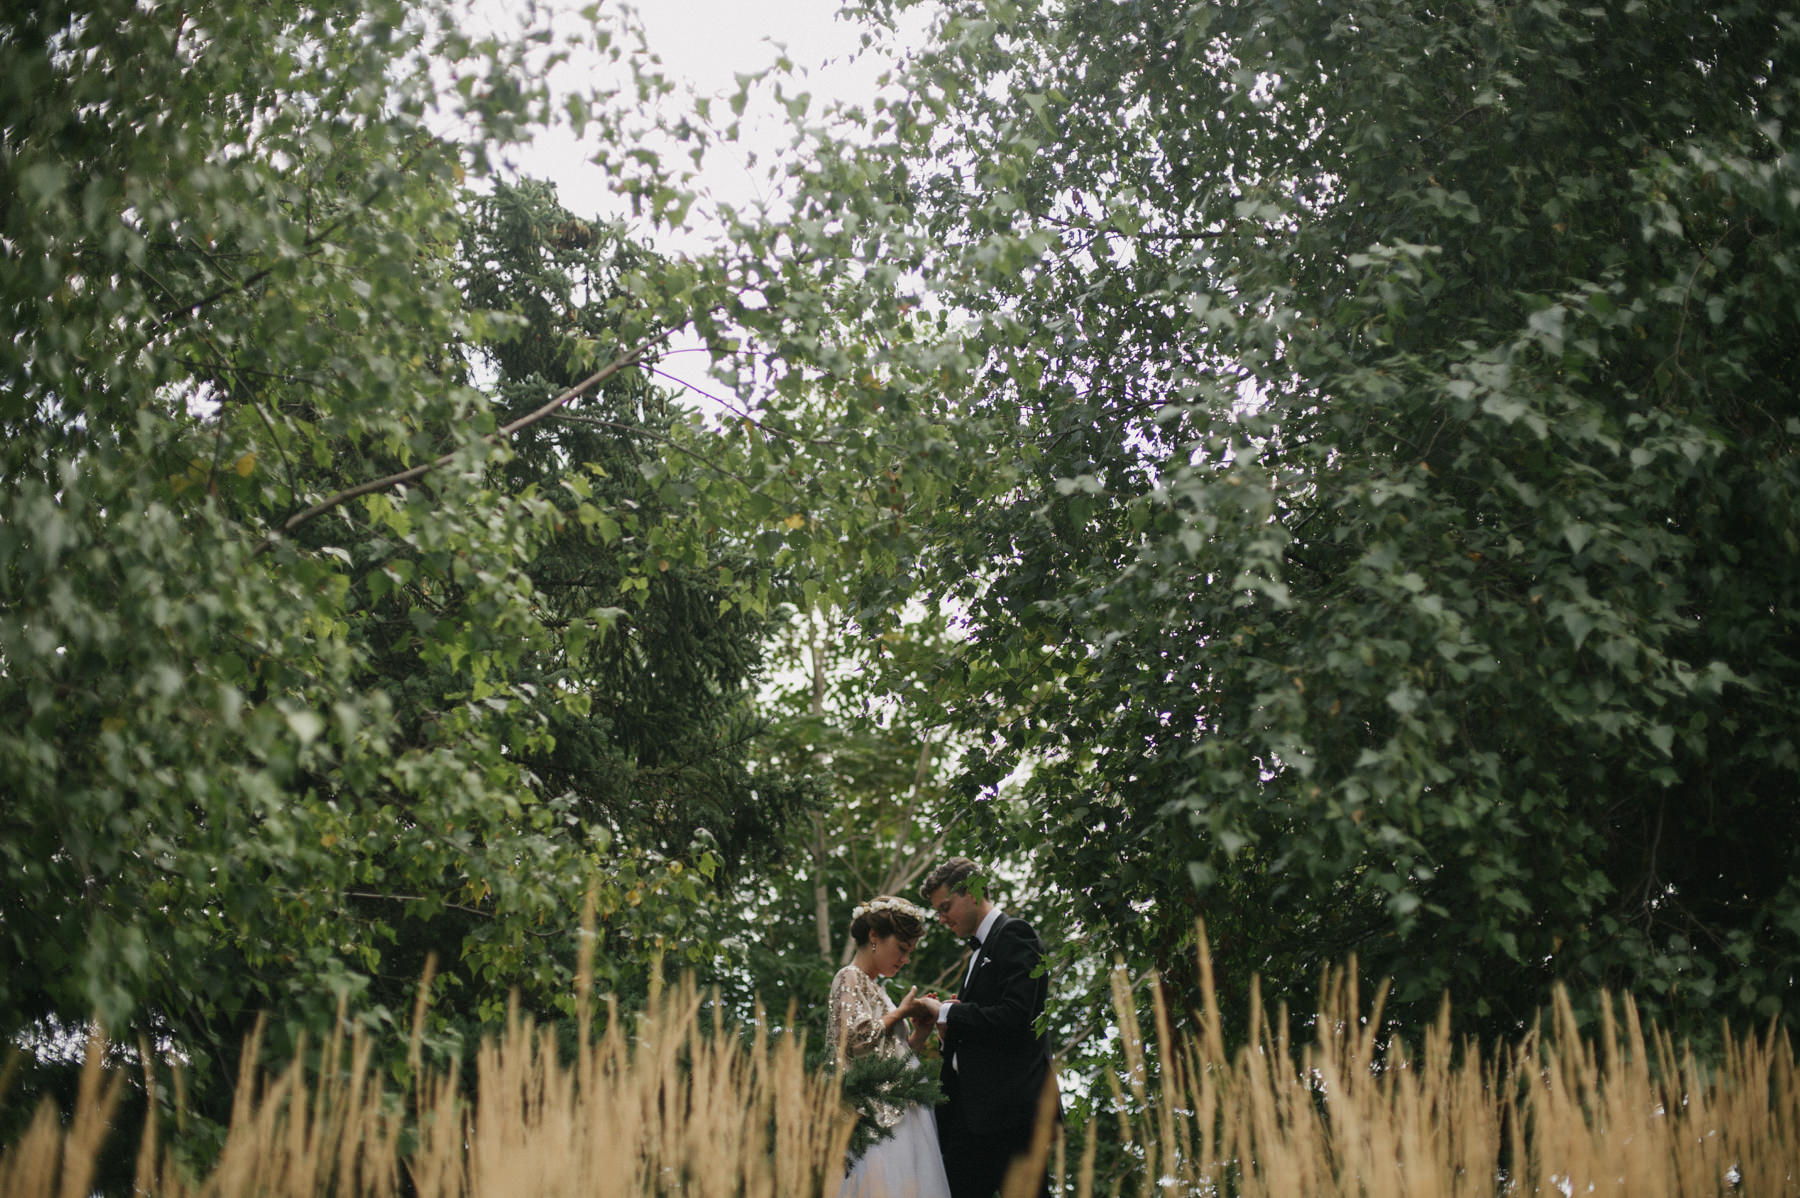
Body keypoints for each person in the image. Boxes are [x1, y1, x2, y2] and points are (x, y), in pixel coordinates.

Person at [912, 858, 1060, 1198]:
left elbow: (1016, 1016)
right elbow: (990, 1024)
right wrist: (951, 1029)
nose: (941, 919)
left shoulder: (1015, 934)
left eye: (945, 907)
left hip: (1009, 1116)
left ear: (975, 892)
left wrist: (946, 1012)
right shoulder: (980, 951)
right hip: (972, 1119)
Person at [828, 895, 955, 1198]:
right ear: (874, 937)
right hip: (869, 1113)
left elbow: (893, 1059)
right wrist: (902, 1012)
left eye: (909, 952)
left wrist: (921, 1031)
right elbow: (857, 1040)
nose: (905, 959)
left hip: (900, 1109)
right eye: (901, 949)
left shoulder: (878, 990)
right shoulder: (849, 977)